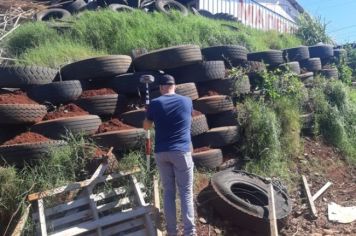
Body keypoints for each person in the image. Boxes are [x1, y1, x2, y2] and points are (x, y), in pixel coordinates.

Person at [143, 75, 196, 236]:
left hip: (162, 152)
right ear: (175, 85)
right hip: (182, 152)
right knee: (186, 192)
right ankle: (189, 232)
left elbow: (146, 127)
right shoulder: (187, 101)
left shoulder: (155, 103)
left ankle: (171, 232)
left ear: (160, 88)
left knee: (168, 192)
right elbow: (187, 120)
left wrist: (148, 114)